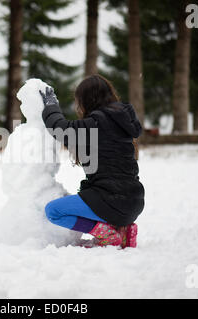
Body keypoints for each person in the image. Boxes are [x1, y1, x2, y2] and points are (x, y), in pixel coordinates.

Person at [40, 74, 145, 248]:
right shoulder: (122, 123)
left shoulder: (95, 123)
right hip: (134, 202)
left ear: (87, 100)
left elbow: (59, 128)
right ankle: (124, 230)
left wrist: (51, 104)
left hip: (111, 201)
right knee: (93, 199)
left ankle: (105, 232)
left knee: (53, 211)